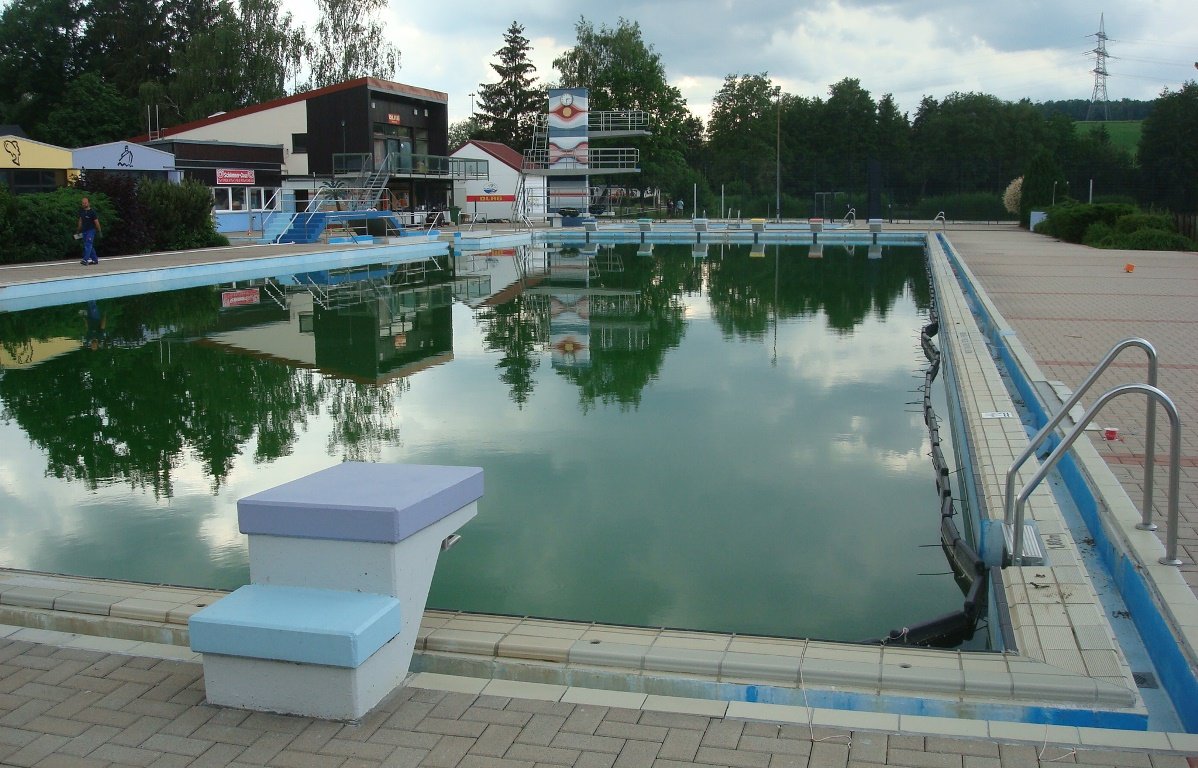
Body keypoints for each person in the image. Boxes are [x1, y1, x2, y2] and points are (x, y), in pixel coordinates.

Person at [77, 197, 101, 265]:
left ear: (88, 203)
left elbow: (96, 222)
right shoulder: (81, 211)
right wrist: (78, 230)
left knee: (88, 245)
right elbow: (80, 221)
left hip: (91, 230)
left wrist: (99, 230)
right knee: (89, 245)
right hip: (84, 231)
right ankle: (95, 260)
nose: (84, 204)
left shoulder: (92, 212)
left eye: (85, 203)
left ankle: (85, 259)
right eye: (83, 203)